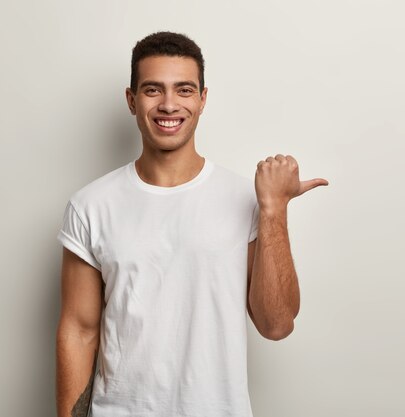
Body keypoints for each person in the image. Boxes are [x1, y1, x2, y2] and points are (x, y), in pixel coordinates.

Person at [55, 31, 328, 417]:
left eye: (184, 90)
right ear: (131, 100)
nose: (169, 104)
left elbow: (277, 325)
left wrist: (274, 209)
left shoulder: (244, 199)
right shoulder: (90, 205)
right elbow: (79, 331)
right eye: (153, 90)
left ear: (202, 99)